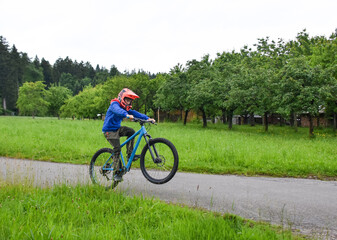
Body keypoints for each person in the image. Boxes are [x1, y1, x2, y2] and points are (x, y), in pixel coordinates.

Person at [102, 88, 155, 181]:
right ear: (122, 98)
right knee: (117, 149)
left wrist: (147, 118)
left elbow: (135, 113)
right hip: (109, 131)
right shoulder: (115, 104)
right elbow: (117, 110)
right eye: (127, 100)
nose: (129, 103)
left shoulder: (125, 108)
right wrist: (126, 115)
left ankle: (130, 155)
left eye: (130, 101)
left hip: (117, 129)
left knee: (131, 132)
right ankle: (117, 173)